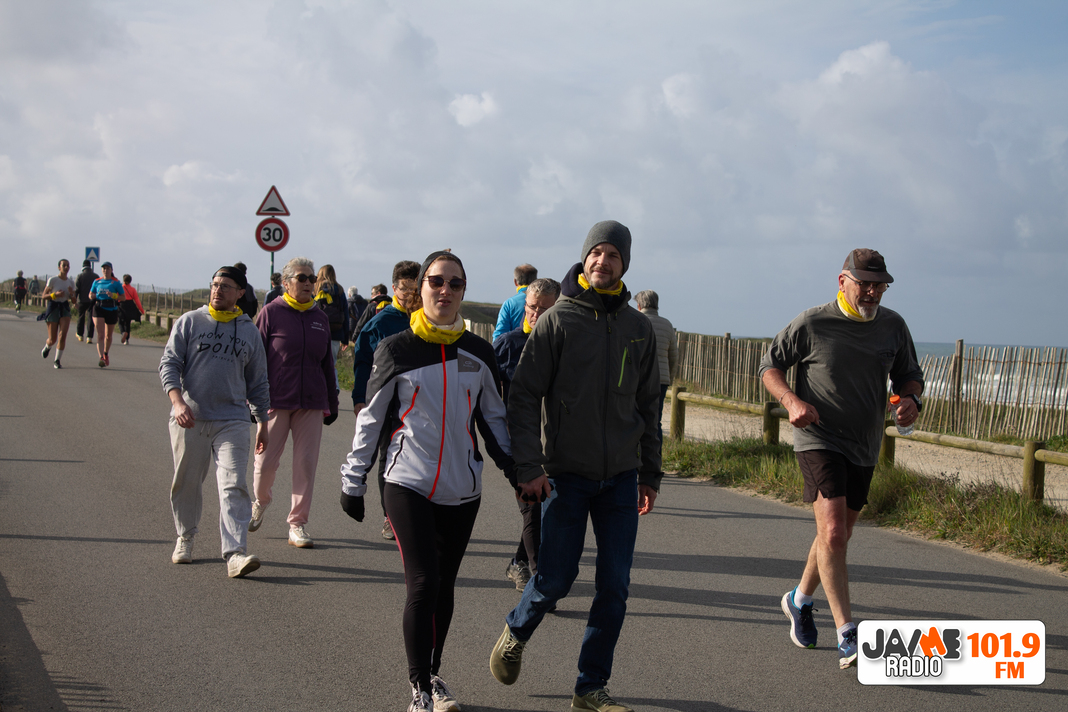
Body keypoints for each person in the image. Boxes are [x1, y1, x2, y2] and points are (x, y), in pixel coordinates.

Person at [490, 221, 661, 712]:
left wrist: (649, 473)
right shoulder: (558, 320)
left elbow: (649, 405)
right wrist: (529, 465)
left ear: (625, 264)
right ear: (585, 259)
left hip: (621, 478)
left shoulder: (638, 329)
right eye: (596, 252)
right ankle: (516, 629)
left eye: (613, 255)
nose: (603, 261)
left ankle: (590, 687)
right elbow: (524, 397)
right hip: (565, 474)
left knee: (615, 586)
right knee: (555, 579)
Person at [340, 250, 513, 712]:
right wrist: (353, 481)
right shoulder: (396, 349)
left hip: (464, 489)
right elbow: (371, 420)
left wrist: (520, 473)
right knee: (423, 582)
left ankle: (434, 675)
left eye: (455, 283)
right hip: (406, 483)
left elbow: (495, 421)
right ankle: (418, 688)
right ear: (421, 288)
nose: (445, 290)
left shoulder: (479, 353)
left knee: (444, 585)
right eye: (436, 281)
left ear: (463, 291)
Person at [758, 248, 924, 670]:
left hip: (864, 444)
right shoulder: (813, 322)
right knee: (833, 532)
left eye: (879, 285)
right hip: (818, 438)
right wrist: (791, 401)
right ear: (842, 281)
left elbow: (909, 375)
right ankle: (848, 634)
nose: (871, 292)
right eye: (863, 283)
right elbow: (770, 367)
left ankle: (799, 599)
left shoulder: (893, 326)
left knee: (838, 535)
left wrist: (911, 400)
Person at [159, 265, 269, 578]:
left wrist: (262, 422)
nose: (218, 290)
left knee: (233, 484)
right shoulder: (190, 321)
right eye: (215, 284)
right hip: (190, 417)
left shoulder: (249, 331)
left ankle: (235, 554)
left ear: (240, 293)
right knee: (187, 482)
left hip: (233, 419)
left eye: (225, 286)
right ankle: (185, 537)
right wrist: (178, 402)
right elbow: (169, 363)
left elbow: (258, 381)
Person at [250, 257, 339, 549]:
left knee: (305, 464)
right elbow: (256, 359)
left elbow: (327, 364)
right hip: (275, 400)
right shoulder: (271, 313)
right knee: (265, 462)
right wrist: (253, 400)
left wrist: (332, 400)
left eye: (312, 278)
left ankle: (297, 524)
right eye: (302, 278)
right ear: (286, 283)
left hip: (311, 401)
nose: (308, 283)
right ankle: (260, 501)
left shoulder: (320, 318)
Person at [492, 277, 561, 590]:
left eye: (545, 309)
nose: (536, 314)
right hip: (517, 441)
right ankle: (538, 581)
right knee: (532, 505)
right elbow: (485, 392)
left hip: (553, 442)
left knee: (545, 509)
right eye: (532, 307)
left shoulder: (564, 346)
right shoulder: (507, 345)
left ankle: (518, 562)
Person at [350, 261, 421, 541]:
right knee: (388, 455)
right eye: (404, 289)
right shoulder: (380, 323)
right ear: (393, 288)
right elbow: (362, 361)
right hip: (386, 400)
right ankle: (390, 517)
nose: (409, 295)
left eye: (415, 289)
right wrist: (359, 398)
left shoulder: (426, 319)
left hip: (417, 401)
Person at [634, 290, 678, 453]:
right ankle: (655, 456)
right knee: (655, 420)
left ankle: (635, 454)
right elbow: (673, 356)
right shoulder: (667, 324)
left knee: (633, 417)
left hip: (638, 379)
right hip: (661, 380)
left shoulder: (635, 321)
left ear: (639, 305)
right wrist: (669, 378)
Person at [314, 264, 350, 388]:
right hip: (335, 332)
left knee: (317, 363)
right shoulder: (339, 290)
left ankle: (319, 388)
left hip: (318, 331)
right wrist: (345, 338)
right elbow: (345, 314)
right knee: (332, 363)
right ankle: (335, 388)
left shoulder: (316, 288)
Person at [41, 259, 76, 369]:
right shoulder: (53, 280)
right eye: (64, 265)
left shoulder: (71, 283)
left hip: (64, 307)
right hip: (54, 306)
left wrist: (71, 294)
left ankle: (57, 360)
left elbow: (74, 301)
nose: (66, 268)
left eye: (67, 266)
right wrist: (55, 295)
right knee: (53, 339)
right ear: (59, 267)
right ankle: (48, 346)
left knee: (62, 336)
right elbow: (44, 296)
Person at [89, 262, 125, 368]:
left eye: (108, 268)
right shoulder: (97, 281)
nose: (105, 270)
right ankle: (101, 358)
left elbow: (123, 297)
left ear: (111, 270)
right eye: (104, 268)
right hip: (99, 307)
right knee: (100, 334)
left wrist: (114, 295)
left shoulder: (116, 282)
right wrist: (92, 296)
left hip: (111, 308)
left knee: (108, 336)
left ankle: (105, 353)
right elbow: (90, 294)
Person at [492, 264, 537, 341]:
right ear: (535, 281)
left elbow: (500, 333)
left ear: (515, 282)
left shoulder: (509, 303)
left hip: (515, 345)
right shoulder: (543, 301)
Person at [74, 260, 98, 343]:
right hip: (92, 300)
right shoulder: (95, 276)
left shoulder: (80, 276)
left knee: (81, 316)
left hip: (82, 300)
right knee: (91, 318)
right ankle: (89, 337)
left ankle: (80, 335)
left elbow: (76, 289)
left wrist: (75, 301)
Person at [118, 274, 146, 345]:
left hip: (122, 305)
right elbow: (137, 300)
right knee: (128, 323)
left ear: (123, 280)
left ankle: (123, 332)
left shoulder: (120, 288)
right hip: (130, 306)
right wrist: (141, 310)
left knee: (120, 321)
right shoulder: (133, 289)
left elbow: (117, 297)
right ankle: (126, 340)